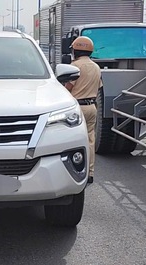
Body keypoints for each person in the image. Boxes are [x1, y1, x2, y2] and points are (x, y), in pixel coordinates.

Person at [64, 36, 102, 184]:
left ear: (75, 51)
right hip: (91, 107)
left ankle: (75, 171)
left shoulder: (75, 67)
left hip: (76, 109)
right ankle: (90, 173)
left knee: (72, 142)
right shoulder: (96, 67)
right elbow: (98, 87)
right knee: (90, 140)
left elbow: (68, 88)